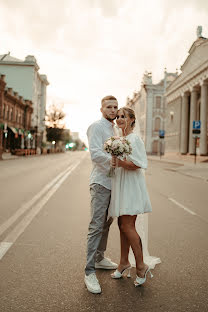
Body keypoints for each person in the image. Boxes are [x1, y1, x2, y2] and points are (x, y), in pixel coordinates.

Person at [108, 106, 154, 287]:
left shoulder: (134, 138)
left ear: (132, 120)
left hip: (131, 186)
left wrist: (120, 162)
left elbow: (140, 163)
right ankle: (123, 262)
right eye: (118, 116)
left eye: (123, 116)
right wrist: (115, 163)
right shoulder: (121, 139)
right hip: (122, 183)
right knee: (122, 224)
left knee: (128, 226)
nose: (119, 119)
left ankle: (141, 266)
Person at [84, 95, 119, 294]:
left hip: (114, 182)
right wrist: (115, 160)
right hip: (100, 182)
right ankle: (89, 271)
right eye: (109, 107)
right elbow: (95, 154)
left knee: (107, 223)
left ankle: (99, 258)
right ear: (101, 109)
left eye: (115, 107)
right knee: (97, 225)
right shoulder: (96, 127)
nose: (113, 110)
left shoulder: (114, 129)